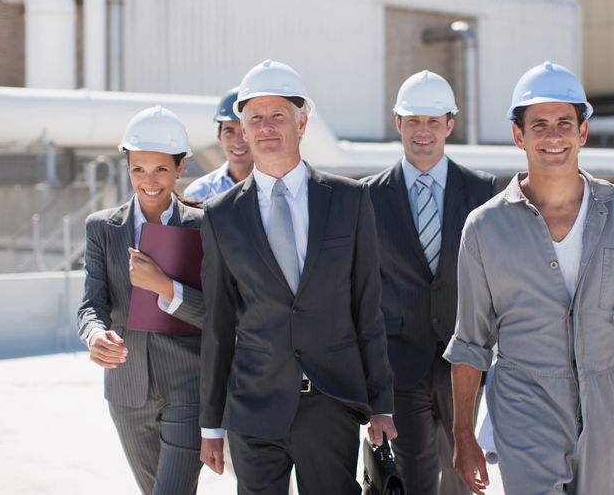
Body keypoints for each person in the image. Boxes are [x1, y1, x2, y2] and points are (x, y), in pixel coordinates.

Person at [445, 61, 614, 495]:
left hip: (604, 405)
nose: (553, 137)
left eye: (565, 123)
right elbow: (471, 341)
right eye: (540, 125)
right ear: (519, 135)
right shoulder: (483, 228)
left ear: (582, 132)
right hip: (523, 405)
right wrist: (463, 434)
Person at [198, 59, 396, 495]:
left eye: (278, 117)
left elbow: (368, 308)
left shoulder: (349, 199)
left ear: (302, 122)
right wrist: (211, 423)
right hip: (253, 408)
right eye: (255, 120)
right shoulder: (220, 216)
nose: (266, 128)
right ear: (243, 130)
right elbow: (218, 327)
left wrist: (382, 404)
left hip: (330, 403)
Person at [364, 70, 496, 495]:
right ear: (398, 123)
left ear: (449, 125)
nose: (424, 131)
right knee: (414, 482)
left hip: (465, 363)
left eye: (433, 121)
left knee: (464, 479)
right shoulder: (367, 197)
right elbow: (361, 290)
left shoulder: (481, 190)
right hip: (399, 366)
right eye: (414, 121)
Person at [77, 106, 205, 495]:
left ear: (180, 168)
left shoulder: (205, 226)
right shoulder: (102, 227)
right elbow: (91, 303)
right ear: (127, 167)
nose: (149, 181)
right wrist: (95, 334)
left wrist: (166, 288)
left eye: (161, 169)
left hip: (187, 386)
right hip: (127, 388)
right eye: (138, 169)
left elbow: (221, 313)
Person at [184, 86, 253, 201]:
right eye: (229, 131)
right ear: (219, 136)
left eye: (245, 131)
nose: (238, 141)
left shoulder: (275, 189)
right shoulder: (198, 194)